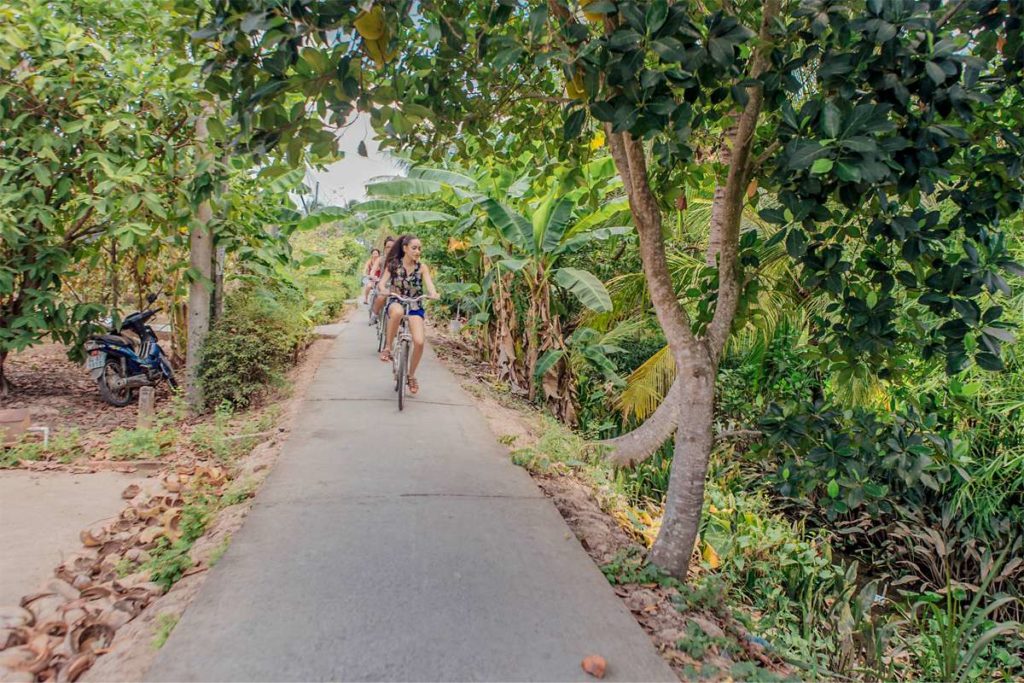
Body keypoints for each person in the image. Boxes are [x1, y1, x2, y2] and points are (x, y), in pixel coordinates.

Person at [377, 234, 439, 396]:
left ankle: (411, 376)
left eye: (419, 248)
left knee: (419, 341)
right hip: (397, 300)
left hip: (415, 305)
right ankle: (388, 348)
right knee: (397, 312)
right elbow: (382, 282)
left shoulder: (422, 267)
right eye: (414, 248)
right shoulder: (393, 265)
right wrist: (383, 289)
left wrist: (433, 293)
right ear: (405, 249)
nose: (417, 251)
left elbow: (430, 285)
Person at [370, 236, 396, 319]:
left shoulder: (399, 260)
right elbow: (373, 270)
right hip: (382, 284)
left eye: (392, 247)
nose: (390, 249)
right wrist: (373, 276)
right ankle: (375, 314)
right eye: (388, 247)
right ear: (385, 248)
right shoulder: (381, 259)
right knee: (382, 296)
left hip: (395, 286)